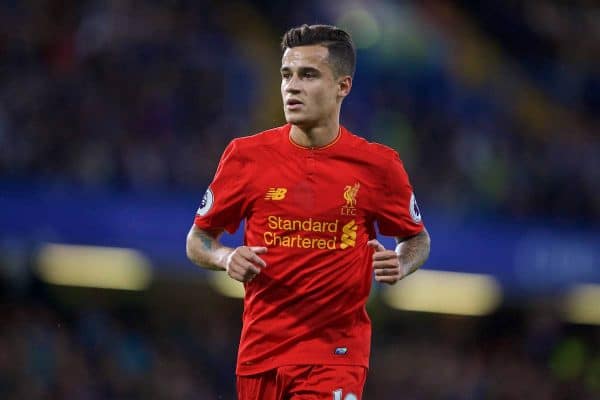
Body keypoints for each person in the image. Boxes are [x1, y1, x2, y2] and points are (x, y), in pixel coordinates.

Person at [186, 24, 431, 400]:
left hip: (336, 356)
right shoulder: (245, 157)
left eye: (309, 75)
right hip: (260, 355)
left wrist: (402, 262)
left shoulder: (378, 166)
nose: (292, 86)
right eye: (287, 74)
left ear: (342, 86)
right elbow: (198, 239)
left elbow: (416, 238)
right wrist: (225, 256)